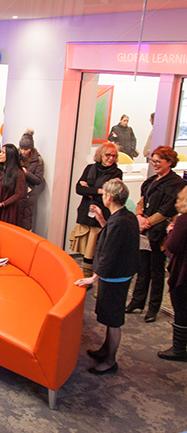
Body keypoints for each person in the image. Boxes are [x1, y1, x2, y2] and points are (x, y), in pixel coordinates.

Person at [75, 179, 139, 375]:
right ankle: (105, 350)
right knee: (109, 317)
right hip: (118, 275)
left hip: (115, 277)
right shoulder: (124, 216)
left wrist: (94, 278)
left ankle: (110, 360)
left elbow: (110, 252)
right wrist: (101, 218)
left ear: (109, 197)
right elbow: (109, 233)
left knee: (113, 320)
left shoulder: (120, 221)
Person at [125, 146, 185, 322]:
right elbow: (142, 201)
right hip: (145, 231)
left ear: (169, 162)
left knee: (157, 272)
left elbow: (167, 210)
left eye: (159, 161)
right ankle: (137, 301)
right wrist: (138, 216)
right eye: (153, 160)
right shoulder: (151, 181)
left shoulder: (177, 184)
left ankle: (153, 307)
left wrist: (147, 222)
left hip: (158, 235)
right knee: (142, 268)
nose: (155, 164)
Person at [69, 142, 122, 281]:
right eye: (108, 155)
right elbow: (79, 189)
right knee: (86, 249)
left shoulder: (117, 173)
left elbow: (111, 193)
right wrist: (99, 190)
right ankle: (87, 278)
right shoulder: (90, 168)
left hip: (102, 214)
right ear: (100, 155)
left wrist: (90, 190)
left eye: (114, 156)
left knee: (96, 248)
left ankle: (95, 279)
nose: (111, 158)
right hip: (87, 212)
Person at [158, 186, 187, 361]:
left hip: (184, 272)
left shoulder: (184, 220)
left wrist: (170, 233)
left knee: (181, 309)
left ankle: (178, 349)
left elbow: (173, 246)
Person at [0, 144, 26, 225]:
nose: (0, 154)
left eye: (3, 153)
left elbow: (18, 194)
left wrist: (3, 204)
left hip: (7, 211)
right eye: (1, 152)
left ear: (10, 155)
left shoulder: (18, 173)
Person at [17, 129, 45, 231]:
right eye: (21, 148)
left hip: (27, 195)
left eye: (26, 149)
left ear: (31, 148)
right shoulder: (15, 155)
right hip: (14, 192)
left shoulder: (37, 160)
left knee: (24, 222)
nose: (23, 152)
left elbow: (38, 180)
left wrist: (26, 173)